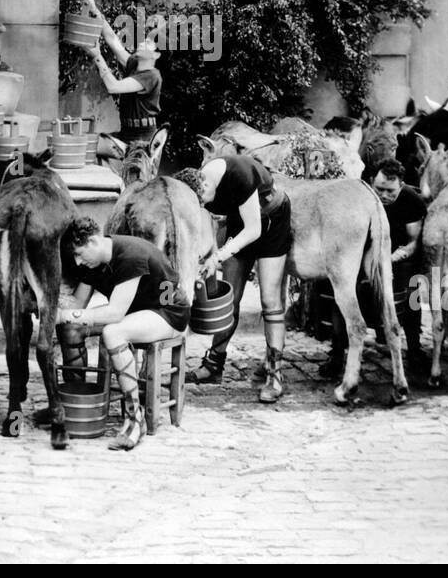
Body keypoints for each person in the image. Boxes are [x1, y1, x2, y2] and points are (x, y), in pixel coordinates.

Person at [60, 220, 190, 451]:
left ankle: (135, 417)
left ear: (93, 241)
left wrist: (69, 315)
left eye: (80, 254)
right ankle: (75, 403)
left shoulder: (130, 255)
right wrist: (56, 310)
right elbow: (78, 304)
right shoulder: (95, 262)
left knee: (113, 332)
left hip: (168, 313)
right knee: (76, 327)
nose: (79, 262)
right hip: (141, 313)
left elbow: (114, 313)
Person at [178, 155, 292, 401]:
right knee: (229, 296)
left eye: (201, 199)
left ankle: (275, 373)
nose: (202, 203)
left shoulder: (239, 175)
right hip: (240, 224)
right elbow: (207, 226)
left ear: (205, 185)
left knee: (270, 300)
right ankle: (213, 365)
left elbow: (254, 230)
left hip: (271, 222)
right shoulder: (197, 184)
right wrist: (206, 256)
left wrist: (219, 256)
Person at [324, 159, 426, 377]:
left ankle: (415, 350)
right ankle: (337, 354)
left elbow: (414, 241)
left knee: (412, 294)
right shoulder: (360, 197)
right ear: (371, 182)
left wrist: (396, 256)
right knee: (340, 293)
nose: (385, 196)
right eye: (380, 189)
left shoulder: (411, 201)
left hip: (399, 260)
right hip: (360, 256)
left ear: (402, 185)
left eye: (391, 191)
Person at [81, 1, 162, 151]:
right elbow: (112, 39)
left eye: (149, 43)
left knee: (132, 171)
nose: (144, 42)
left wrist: (97, 56)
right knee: (88, 148)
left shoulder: (151, 76)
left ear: (156, 55)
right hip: (126, 132)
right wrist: (96, 11)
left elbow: (114, 87)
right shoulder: (133, 64)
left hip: (143, 138)